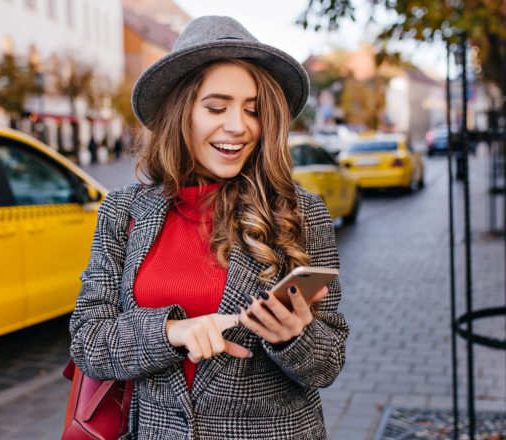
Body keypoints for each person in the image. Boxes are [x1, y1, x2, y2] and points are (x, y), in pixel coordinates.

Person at [69, 15, 348, 439]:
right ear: (181, 112)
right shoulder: (123, 211)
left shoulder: (300, 212)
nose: (237, 126)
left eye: (253, 110)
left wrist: (295, 338)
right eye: (216, 107)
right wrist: (172, 332)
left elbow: (329, 364)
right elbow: (88, 341)